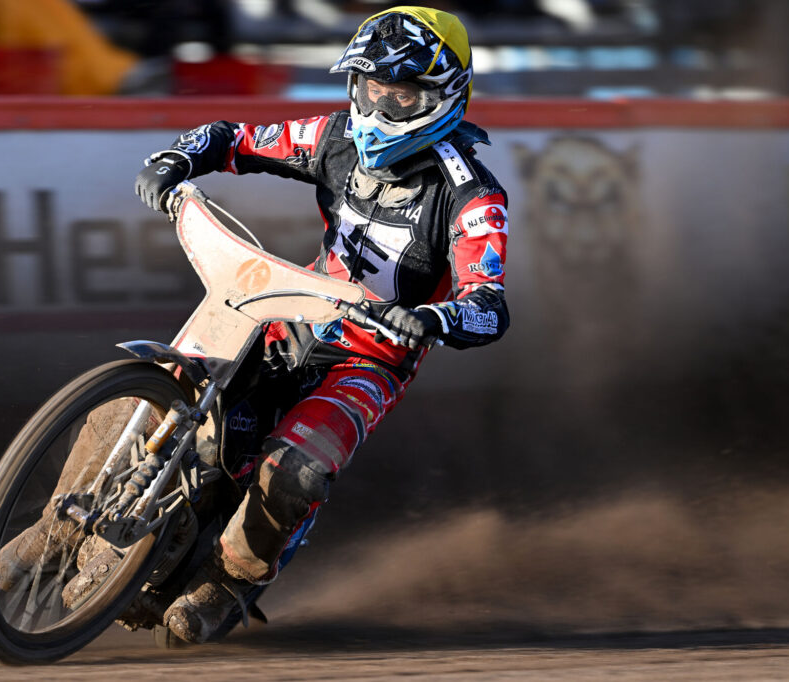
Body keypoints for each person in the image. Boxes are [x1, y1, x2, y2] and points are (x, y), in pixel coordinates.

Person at [132, 5, 511, 644]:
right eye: (371, 88)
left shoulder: (473, 195)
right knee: (166, 390)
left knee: (295, 472)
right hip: (291, 318)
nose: (380, 107)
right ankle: (62, 523)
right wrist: (175, 159)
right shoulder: (333, 135)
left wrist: (430, 317)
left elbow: (489, 305)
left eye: (402, 95)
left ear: (444, 98)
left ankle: (230, 581)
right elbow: (234, 138)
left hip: (372, 361)